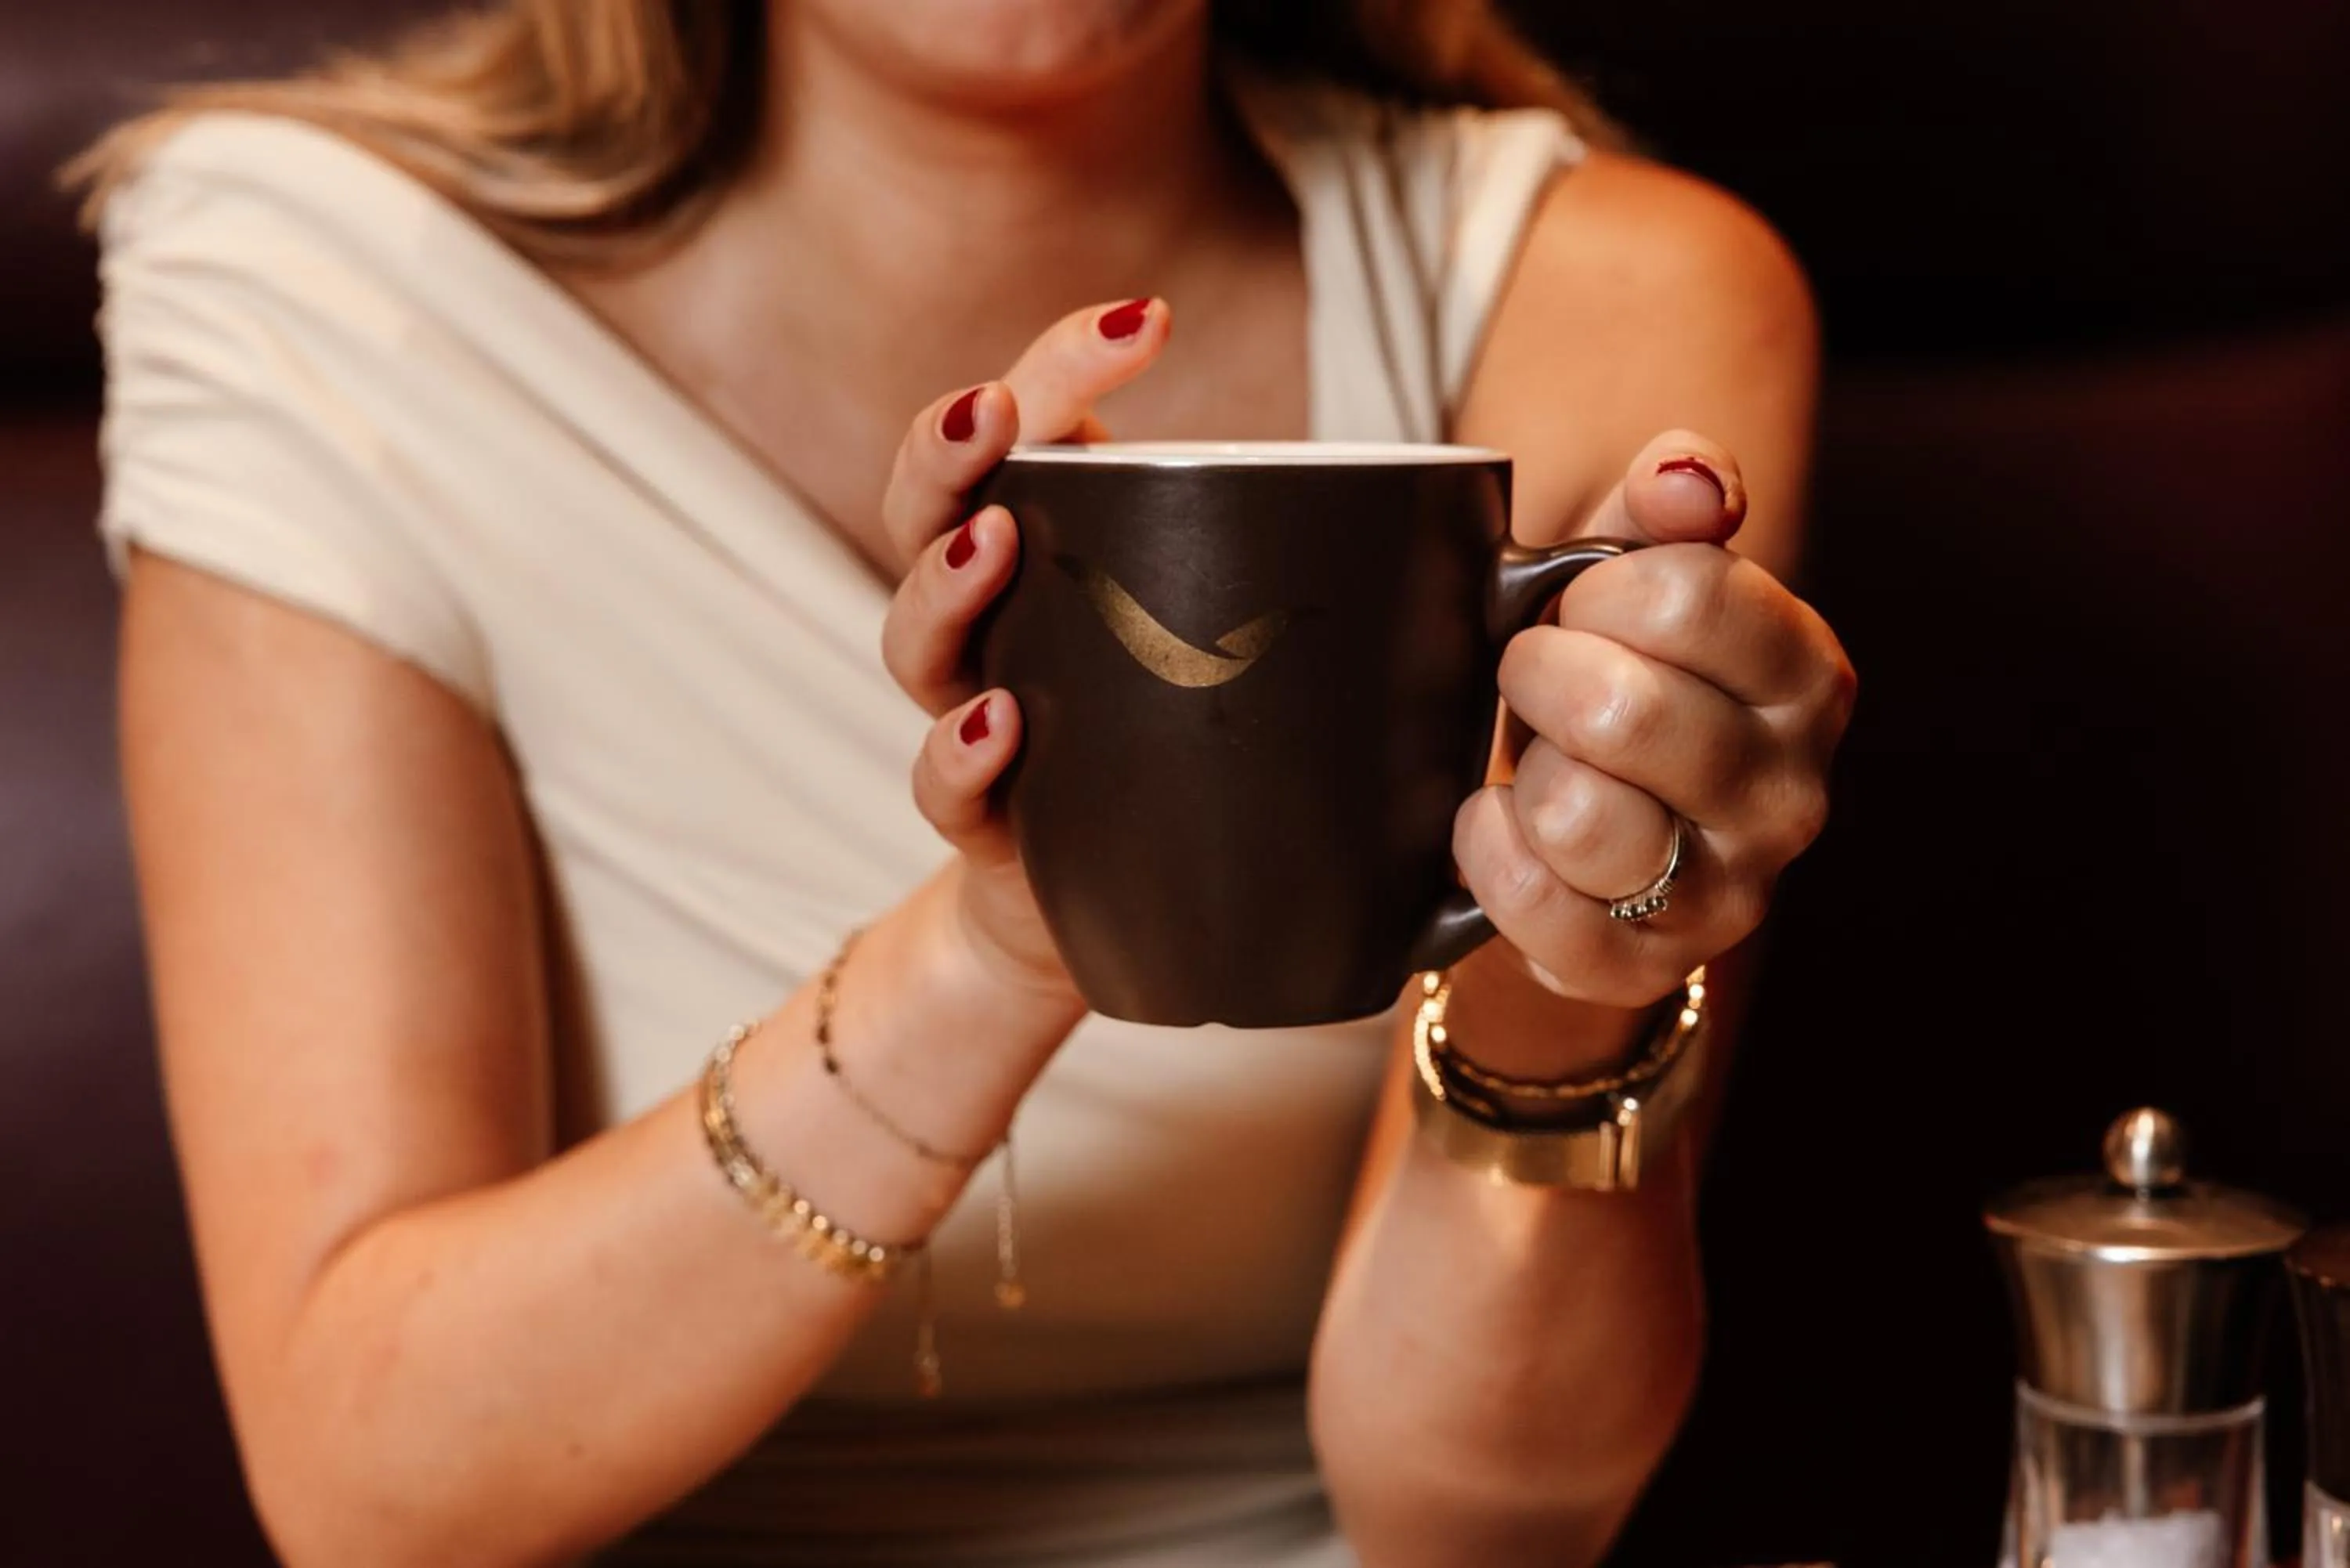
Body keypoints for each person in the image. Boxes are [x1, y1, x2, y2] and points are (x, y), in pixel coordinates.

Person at [75, 1, 1853, 1563]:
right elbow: (374, 1496)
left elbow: (1472, 1525)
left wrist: (1565, 978)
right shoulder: (317, 296)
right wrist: (1003, 940)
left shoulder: (1608, 291)